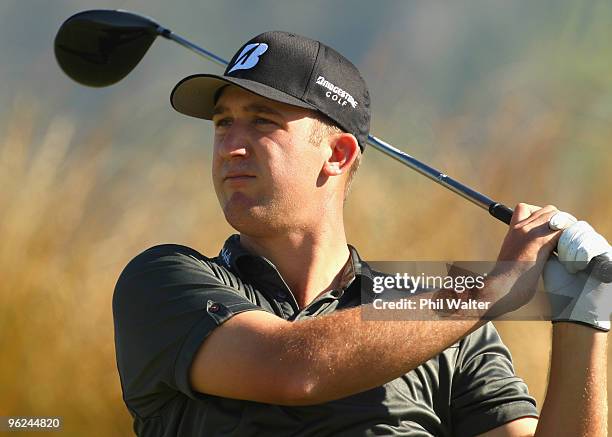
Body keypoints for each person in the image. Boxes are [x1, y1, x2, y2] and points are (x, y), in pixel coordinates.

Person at [113, 30, 611, 436]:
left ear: (338, 155)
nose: (230, 146)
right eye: (223, 123)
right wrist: (495, 286)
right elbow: (294, 367)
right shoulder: (163, 282)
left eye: (262, 121)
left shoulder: (445, 327)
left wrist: (585, 316)